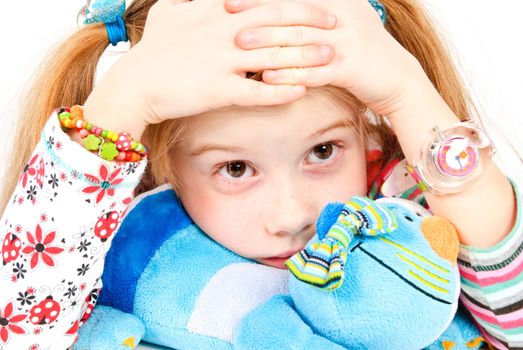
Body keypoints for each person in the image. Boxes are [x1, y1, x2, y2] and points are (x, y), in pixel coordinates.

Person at [0, 0, 521, 349]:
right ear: (162, 164)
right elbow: (20, 330)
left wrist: (409, 95)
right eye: (235, 167)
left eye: (322, 151)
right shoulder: (117, 249)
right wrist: (121, 104)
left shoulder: (407, 208)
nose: (292, 215)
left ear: (368, 133)